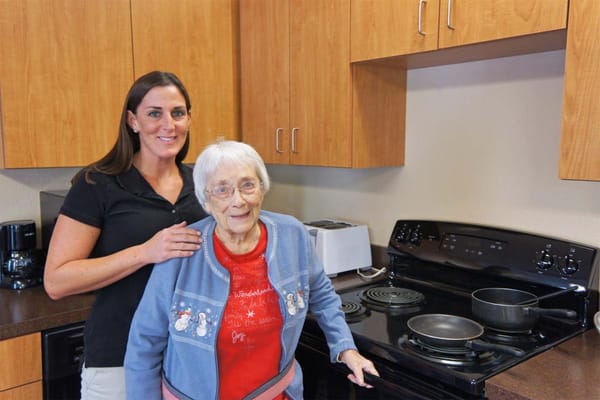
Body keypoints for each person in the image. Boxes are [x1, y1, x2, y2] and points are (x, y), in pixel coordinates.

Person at [124, 140, 379, 400]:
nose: (239, 201)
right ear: (206, 200)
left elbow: (322, 295)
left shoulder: (292, 235)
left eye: (248, 185)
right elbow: (144, 342)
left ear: (262, 188)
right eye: (222, 190)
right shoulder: (181, 249)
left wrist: (346, 348)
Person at [43, 71, 207, 400]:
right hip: (118, 359)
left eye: (177, 113)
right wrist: (145, 252)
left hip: (191, 357)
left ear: (189, 118)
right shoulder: (97, 185)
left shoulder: (203, 183)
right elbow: (57, 281)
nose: (168, 124)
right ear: (133, 121)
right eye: (154, 113)